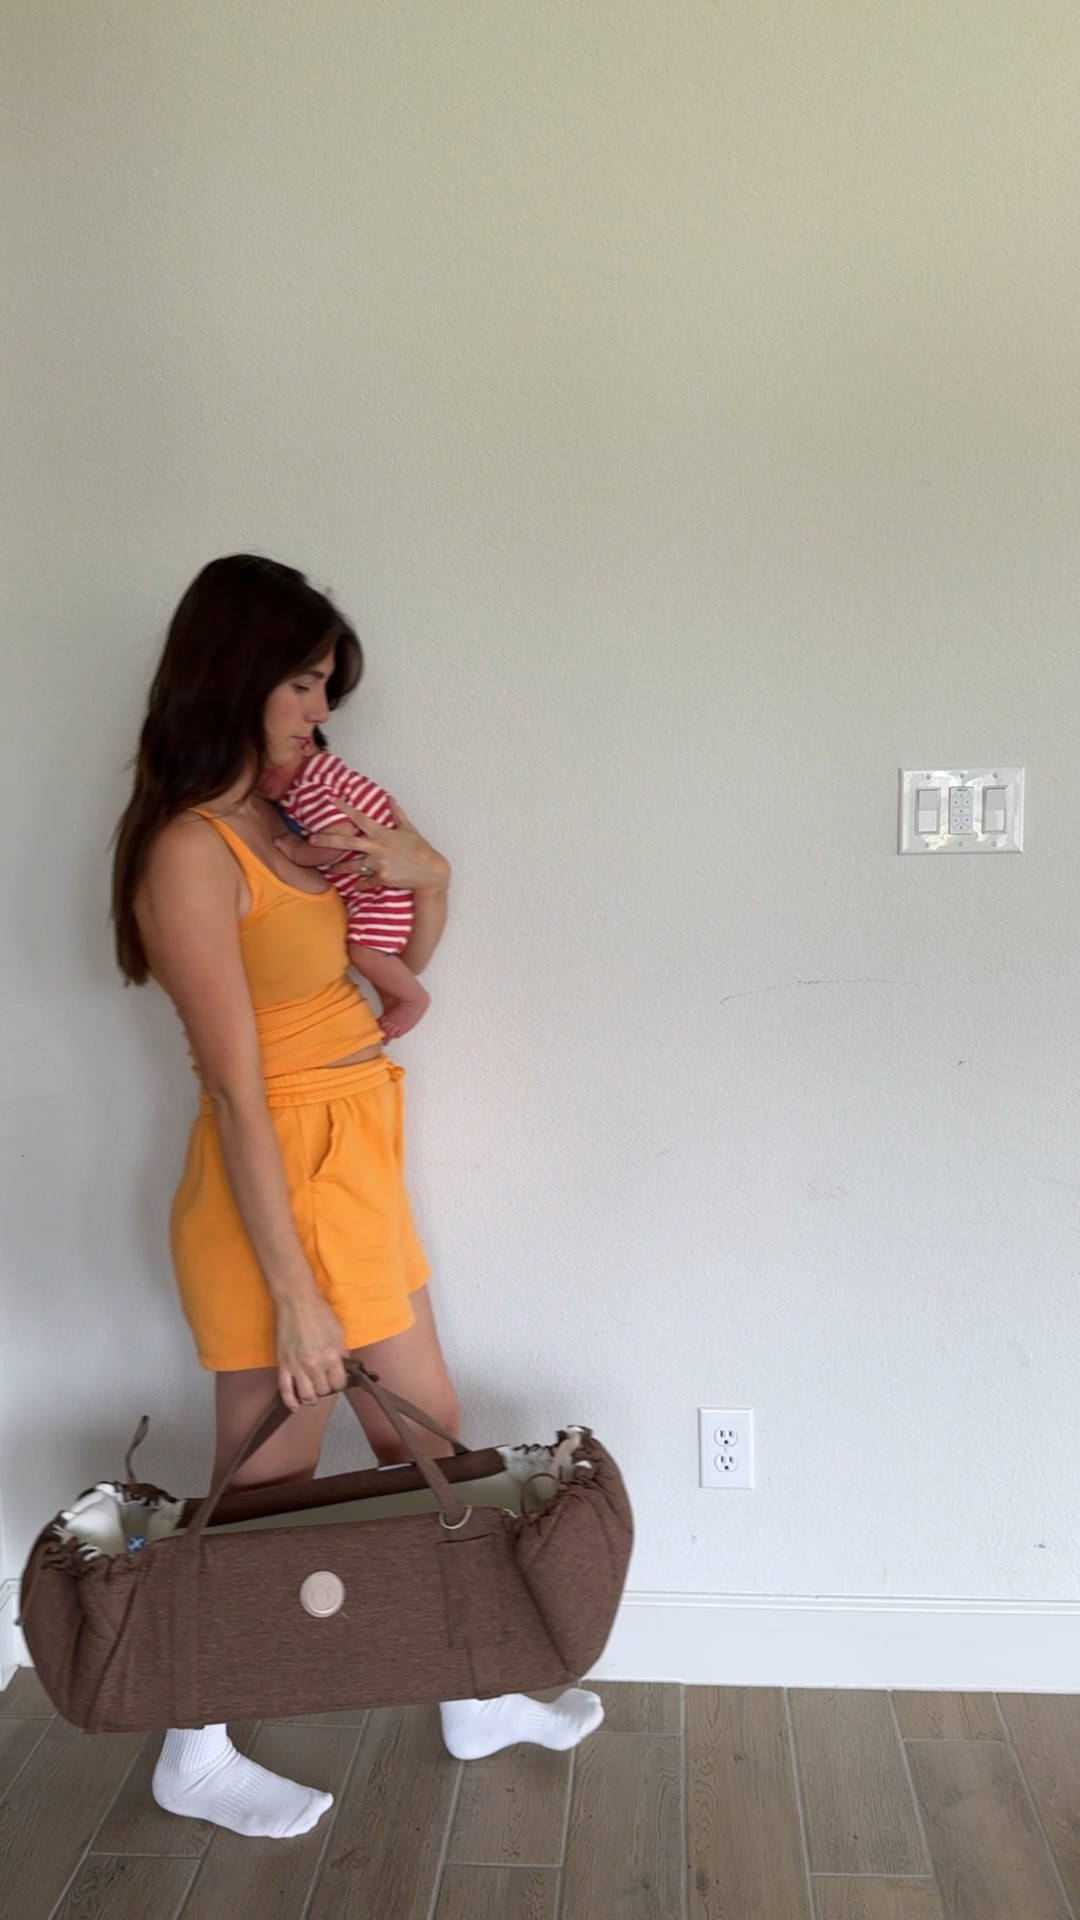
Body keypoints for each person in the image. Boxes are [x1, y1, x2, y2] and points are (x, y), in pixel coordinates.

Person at [111, 554, 603, 1841]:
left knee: (426, 1437)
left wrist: (427, 875)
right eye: (302, 683)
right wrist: (294, 1296)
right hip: (272, 1184)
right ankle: (192, 1744)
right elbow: (234, 1090)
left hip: (354, 1164)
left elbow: (380, 979)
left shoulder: (285, 826)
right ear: (233, 675)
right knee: (266, 1481)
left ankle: (473, 1692)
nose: (319, 714)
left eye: (326, 688)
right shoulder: (190, 850)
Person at [261, 740, 431, 1039]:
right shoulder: (323, 779)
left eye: (268, 762)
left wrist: (298, 851)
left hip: (383, 890)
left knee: (365, 952)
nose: (260, 776)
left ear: (306, 746)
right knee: (372, 953)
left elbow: (337, 840)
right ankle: (394, 999)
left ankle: (413, 999)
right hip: (383, 886)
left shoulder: (309, 786)